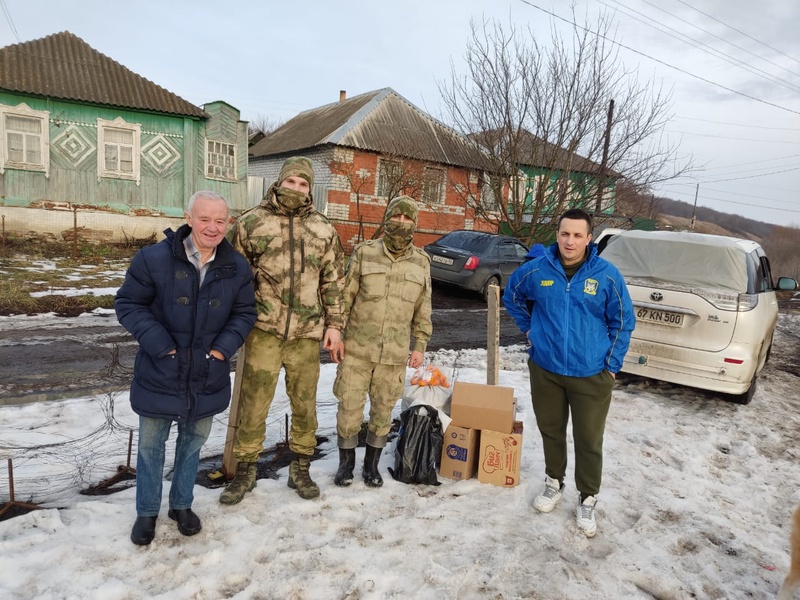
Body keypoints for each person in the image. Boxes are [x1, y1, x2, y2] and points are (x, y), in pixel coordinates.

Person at [115, 191, 257, 546]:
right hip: (161, 370)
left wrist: (223, 351)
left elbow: (245, 313)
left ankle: (181, 504)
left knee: (193, 444)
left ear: (229, 223)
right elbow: (129, 304)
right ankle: (147, 511)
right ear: (188, 218)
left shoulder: (236, 266)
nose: (212, 227)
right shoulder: (153, 259)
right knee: (151, 446)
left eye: (220, 220)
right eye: (205, 219)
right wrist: (161, 345)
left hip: (208, 373)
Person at [503, 208, 635, 538]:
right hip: (546, 369)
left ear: (589, 239)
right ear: (557, 235)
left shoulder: (606, 275)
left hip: (591, 374)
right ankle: (554, 482)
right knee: (551, 430)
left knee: (589, 440)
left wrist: (611, 365)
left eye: (578, 235)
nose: (570, 241)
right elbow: (513, 296)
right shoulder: (537, 270)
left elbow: (623, 321)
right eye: (565, 234)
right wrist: (531, 330)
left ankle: (588, 497)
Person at [220, 156, 345, 504]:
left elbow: (333, 281)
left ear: (310, 189)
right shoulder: (251, 223)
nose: (296, 188)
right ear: (279, 182)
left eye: (303, 184)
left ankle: (300, 468)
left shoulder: (323, 229)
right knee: (253, 403)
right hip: (263, 331)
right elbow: (232, 277)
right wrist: (234, 322)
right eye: (291, 181)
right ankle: (245, 470)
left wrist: (335, 325)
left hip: (306, 335)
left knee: (304, 404)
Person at [330, 195, 432, 488]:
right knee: (349, 407)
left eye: (407, 219)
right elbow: (345, 297)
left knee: (383, 410)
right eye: (396, 217)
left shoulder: (421, 262)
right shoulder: (364, 253)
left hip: (394, 353)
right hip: (357, 350)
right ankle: (345, 465)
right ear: (386, 219)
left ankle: (371, 466)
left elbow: (423, 306)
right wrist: (336, 331)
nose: (400, 224)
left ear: (414, 223)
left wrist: (419, 344)